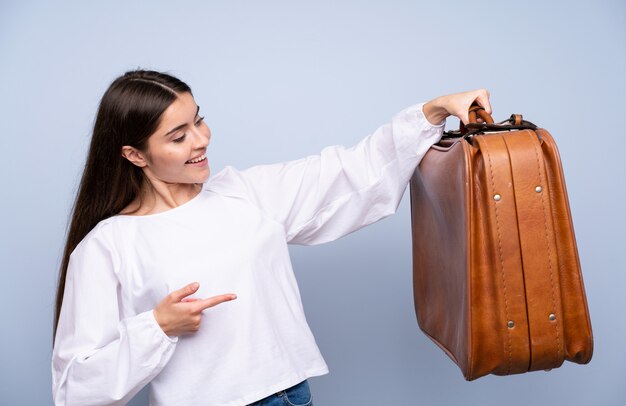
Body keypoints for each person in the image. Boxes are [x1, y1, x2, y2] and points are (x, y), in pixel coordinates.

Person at [51, 69, 491, 406]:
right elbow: (74, 387)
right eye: (178, 136)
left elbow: (353, 174)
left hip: (290, 395)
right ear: (134, 154)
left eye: (199, 121)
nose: (201, 140)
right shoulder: (106, 246)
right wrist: (157, 327)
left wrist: (431, 111)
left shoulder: (245, 193)